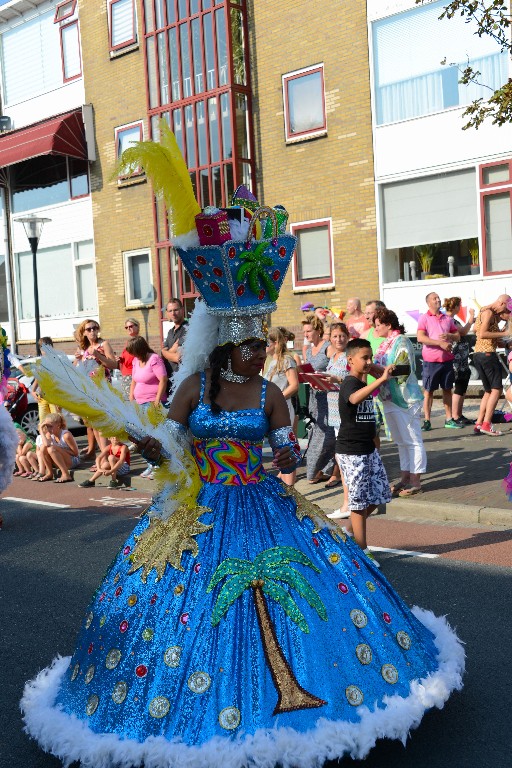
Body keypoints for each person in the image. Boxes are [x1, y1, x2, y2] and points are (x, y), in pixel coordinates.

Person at [21, 140, 464, 768]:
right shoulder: (196, 387)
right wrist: (156, 443)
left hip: (261, 504)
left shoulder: (268, 393)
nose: (259, 354)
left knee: (301, 597)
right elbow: (168, 435)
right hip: (198, 509)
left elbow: (284, 450)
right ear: (224, 344)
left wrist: (284, 449)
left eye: (262, 343)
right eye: (248, 344)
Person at [335, 338, 394, 563]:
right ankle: (362, 551)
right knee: (358, 501)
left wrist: (375, 438)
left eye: (371, 357)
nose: (369, 361)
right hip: (351, 451)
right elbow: (353, 399)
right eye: (364, 358)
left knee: (380, 495)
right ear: (350, 360)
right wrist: (379, 379)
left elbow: (367, 417)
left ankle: (349, 531)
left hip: (368, 449)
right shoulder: (350, 383)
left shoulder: (364, 382)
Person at [373, 308, 426, 497]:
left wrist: (376, 368)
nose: (375, 328)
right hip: (388, 398)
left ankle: (415, 481)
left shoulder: (401, 341)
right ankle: (404, 478)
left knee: (412, 440)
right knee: (401, 442)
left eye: (378, 324)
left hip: (405, 398)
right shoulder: (385, 343)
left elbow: (404, 368)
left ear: (388, 325)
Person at [416, 292, 461, 431]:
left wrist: (449, 336)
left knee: (447, 389)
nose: (438, 300)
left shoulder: (447, 318)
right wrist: (439, 343)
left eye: (438, 298)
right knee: (429, 391)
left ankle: (449, 419)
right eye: (435, 298)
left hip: (447, 360)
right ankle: (427, 420)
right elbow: (420, 338)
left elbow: (458, 336)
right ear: (428, 303)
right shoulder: (424, 318)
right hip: (431, 361)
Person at [319, 322, 350, 514]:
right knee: (342, 455)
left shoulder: (349, 356)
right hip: (334, 410)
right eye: (335, 336)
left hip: (345, 410)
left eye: (342, 336)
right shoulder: (333, 356)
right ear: (330, 339)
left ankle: (349, 502)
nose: (339, 339)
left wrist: (336, 380)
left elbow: (355, 379)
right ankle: (347, 501)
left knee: (345, 455)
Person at [75, 319, 116, 460]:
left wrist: (98, 355)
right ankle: (103, 458)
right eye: (89, 329)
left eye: (94, 328)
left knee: (102, 425)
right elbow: (79, 370)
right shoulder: (85, 349)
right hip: (90, 391)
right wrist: (79, 360)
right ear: (84, 333)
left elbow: (113, 364)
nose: (92, 331)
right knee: (95, 426)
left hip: (103, 389)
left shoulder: (103, 344)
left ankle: (107, 459)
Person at [301, 313, 335, 483]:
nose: (306, 334)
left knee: (328, 435)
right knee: (317, 432)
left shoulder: (328, 347)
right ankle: (320, 470)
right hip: (314, 397)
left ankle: (325, 469)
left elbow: (336, 368)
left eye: (308, 331)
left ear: (318, 330)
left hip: (329, 396)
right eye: (304, 331)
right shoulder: (307, 350)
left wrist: (323, 377)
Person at [128, 336, 168, 478]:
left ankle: (157, 465)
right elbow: (134, 380)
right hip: (140, 403)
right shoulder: (136, 361)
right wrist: (131, 397)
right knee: (141, 436)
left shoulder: (154, 359)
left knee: (153, 436)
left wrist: (157, 400)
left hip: (152, 403)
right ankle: (150, 464)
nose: (134, 356)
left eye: (134, 352)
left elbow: (163, 379)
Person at [472, 294, 512, 436]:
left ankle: (479, 423)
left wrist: (503, 340)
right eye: (507, 310)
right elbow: (482, 334)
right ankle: (487, 425)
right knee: (496, 390)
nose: (506, 315)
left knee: (488, 391)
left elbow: (476, 331)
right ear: (501, 303)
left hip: (479, 354)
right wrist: (506, 333)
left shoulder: (485, 311)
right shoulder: (488, 312)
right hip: (487, 354)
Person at [264, 327, 299, 486]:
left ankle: (291, 491)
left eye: (267, 343)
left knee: (287, 449)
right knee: (280, 449)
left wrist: (277, 399)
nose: (265, 347)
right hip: (274, 410)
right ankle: (284, 484)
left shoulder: (287, 360)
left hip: (284, 409)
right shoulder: (272, 362)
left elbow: (294, 385)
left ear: (275, 343)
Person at [442, 298, 476, 426]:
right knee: (459, 385)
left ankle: (459, 414)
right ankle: (455, 415)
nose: (460, 308)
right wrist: (471, 319)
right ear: (455, 306)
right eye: (459, 306)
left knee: (462, 385)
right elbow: (462, 332)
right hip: (456, 359)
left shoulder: (453, 319)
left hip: (462, 359)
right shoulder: (449, 319)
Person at [40, 412, 80, 483]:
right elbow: (46, 444)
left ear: (58, 425)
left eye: (50, 426)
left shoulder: (66, 435)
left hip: (72, 461)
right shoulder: (49, 434)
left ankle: (66, 474)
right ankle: (50, 473)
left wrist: (59, 449)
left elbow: (75, 453)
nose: (48, 429)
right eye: (47, 426)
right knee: (43, 447)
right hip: (59, 461)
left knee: (52, 448)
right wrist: (41, 429)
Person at [30, 337, 60, 422]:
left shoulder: (57, 362)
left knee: (56, 422)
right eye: (42, 348)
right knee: (44, 423)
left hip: (54, 397)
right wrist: (33, 390)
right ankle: (45, 435)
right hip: (42, 397)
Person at [161, 298, 188, 395]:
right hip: (170, 381)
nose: (173, 313)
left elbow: (177, 357)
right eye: (170, 311)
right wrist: (167, 352)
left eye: (176, 310)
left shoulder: (188, 328)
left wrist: (165, 352)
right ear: (167, 313)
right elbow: (163, 355)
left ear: (182, 310)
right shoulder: (170, 332)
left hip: (182, 380)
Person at [117, 318, 141, 399]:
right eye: (126, 327)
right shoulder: (129, 342)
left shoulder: (138, 341)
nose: (128, 329)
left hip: (132, 375)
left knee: (133, 401)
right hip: (126, 375)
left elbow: (136, 358)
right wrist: (120, 359)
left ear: (137, 327)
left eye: (130, 326)